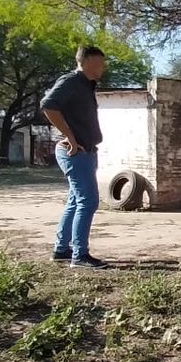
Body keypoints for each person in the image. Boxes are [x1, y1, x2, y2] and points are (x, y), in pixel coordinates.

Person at [42, 46, 108, 269]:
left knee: (75, 201)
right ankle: (80, 256)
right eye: (99, 62)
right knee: (87, 202)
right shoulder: (71, 80)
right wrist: (69, 136)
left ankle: (62, 250)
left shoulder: (86, 85)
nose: (102, 67)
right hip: (75, 152)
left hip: (86, 151)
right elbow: (48, 105)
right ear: (86, 60)